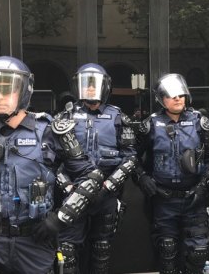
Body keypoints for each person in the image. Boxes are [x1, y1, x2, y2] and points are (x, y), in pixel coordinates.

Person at [0, 56, 104, 274]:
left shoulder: (49, 131)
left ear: (24, 91)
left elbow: (91, 177)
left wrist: (60, 219)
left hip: (35, 242)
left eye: (7, 90)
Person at [54, 63, 137, 274]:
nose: (90, 89)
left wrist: (109, 186)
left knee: (102, 249)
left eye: (94, 84)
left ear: (104, 87)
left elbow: (130, 158)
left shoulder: (118, 117)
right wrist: (67, 187)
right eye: (86, 84)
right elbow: (54, 159)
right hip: (73, 194)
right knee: (67, 250)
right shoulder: (66, 117)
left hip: (106, 195)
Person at [134, 73, 209, 274]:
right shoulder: (150, 125)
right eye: (172, 96)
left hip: (194, 199)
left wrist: (203, 185)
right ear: (162, 99)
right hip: (164, 199)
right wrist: (142, 178)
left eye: (180, 94)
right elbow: (132, 157)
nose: (177, 98)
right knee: (167, 252)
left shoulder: (200, 122)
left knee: (198, 252)